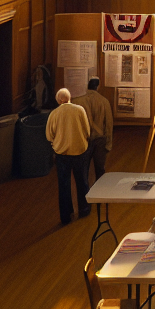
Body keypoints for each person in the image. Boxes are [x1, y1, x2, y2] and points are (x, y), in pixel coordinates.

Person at [46, 88, 91, 225]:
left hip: (62, 154)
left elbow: (49, 135)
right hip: (79, 151)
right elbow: (87, 131)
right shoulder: (80, 110)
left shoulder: (54, 113)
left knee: (64, 185)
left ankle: (66, 215)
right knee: (82, 181)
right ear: (69, 98)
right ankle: (84, 209)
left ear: (59, 100)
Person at [74, 77, 114, 182]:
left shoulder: (78, 101)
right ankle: (99, 190)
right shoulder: (104, 101)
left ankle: (83, 191)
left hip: (83, 140)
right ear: (98, 86)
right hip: (100, 140)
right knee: (100, 170)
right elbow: (109, 124)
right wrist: (108, 143)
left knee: (83, 170)